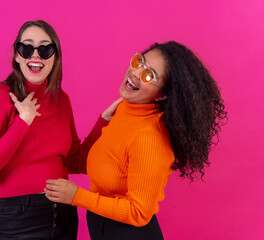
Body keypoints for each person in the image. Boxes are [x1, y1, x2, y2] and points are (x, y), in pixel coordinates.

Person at [45, 41, 227, 240]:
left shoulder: (150, 137)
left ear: (161, 96)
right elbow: (100, 159)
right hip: (103, 226)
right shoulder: (126, 108)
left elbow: (139, 213)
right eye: (139, 62)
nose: (135, 73)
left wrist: (78, 197)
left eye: (149, 75)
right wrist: (102, 122)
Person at [0, 20, 121, 240]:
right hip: (20, 216)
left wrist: (104, 121)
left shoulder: (61, 100)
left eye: (45, 49)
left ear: (55, 58)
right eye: (27, 48)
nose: (36, 55)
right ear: (17, 55)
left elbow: (75, 161)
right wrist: (23, 122)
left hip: (63, 211)